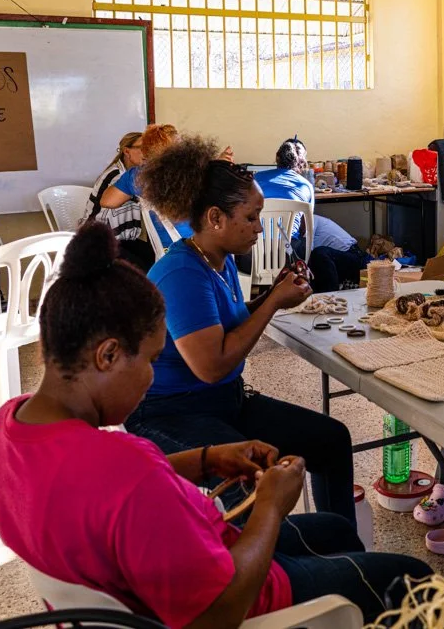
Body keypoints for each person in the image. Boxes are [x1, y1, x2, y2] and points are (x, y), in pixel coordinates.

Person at [0, 223, 428, 627]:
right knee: (416, 580)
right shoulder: (126, 468)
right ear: (108, 355)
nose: (154, 376)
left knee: (334, 529)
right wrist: (270, 505)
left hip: (158, 580)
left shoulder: (7, 428)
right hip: (245, 598)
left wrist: (207, 458)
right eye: (152, 360)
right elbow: (218, 612)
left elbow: (104, 493)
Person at [125, 135, 358, 524]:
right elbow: (212, 365)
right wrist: (272, 302)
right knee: (251, 483)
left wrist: (272, 294)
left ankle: (336, 543)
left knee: (331, 440)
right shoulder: (183, 271)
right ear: (215, 219)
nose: (259, 230)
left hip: (221, 401)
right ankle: (270, 568)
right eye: (251, 218)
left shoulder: (219, 257)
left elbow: (227, 321)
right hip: (169, 415)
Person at [100, 123, 203, 251]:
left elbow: (107, 201)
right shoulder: (196, 171)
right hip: (202, 245)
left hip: (166, 249)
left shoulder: (136, 176)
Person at [87, 130, 150, 270]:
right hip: (100, 240)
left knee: (153, 258)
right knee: (143, 268)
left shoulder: (132, 174)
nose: (148, 153)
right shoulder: (117, 176)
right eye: (143, 148)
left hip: (122, 238)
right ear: (127, 152)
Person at [254, 138, 316, 254]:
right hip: (288, 258)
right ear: (300, 162)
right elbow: (305, 228)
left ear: (277, 158)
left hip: (253, 256)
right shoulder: (306, 186)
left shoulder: (256, 178)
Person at [308, 215, 369, 293]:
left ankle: (330, 295)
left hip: (353, 256)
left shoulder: (311, 220)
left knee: (319, 253)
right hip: (336, 261)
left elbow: (307, 251)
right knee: (314, 261)